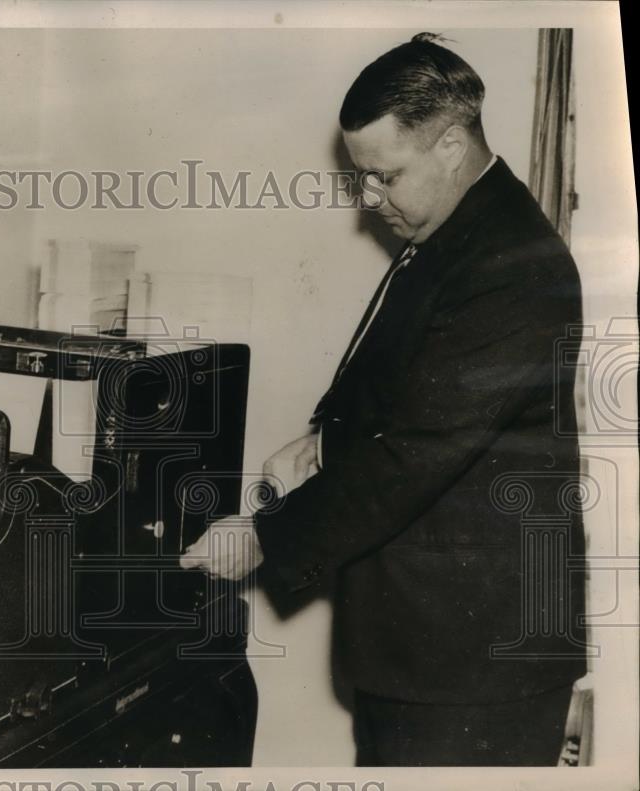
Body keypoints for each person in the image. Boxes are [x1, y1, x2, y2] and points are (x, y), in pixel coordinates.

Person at [180, 33, 587, 766]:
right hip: (425, 648)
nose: (368, 197)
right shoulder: (452, 231)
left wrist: (265, 534)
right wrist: (322, 443)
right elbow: (408, 387)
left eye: (383, 175)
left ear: (452, 146)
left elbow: (417, 453)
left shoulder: (512, 264)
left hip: (476, 666)